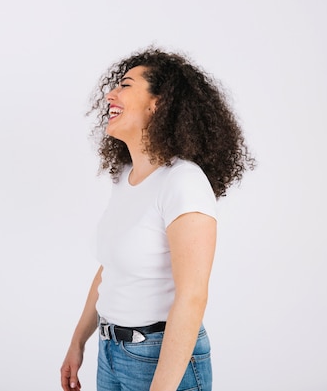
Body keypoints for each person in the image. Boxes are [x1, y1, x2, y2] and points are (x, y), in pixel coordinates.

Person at [60, 47, 255, 391]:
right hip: (112, 352)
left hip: (159, 356)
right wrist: (79, 341)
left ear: (157, 103)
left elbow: (192, 297)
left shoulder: (184, 182)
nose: (111, 94)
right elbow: (110, 270)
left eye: (126, 85)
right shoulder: (126, 177)